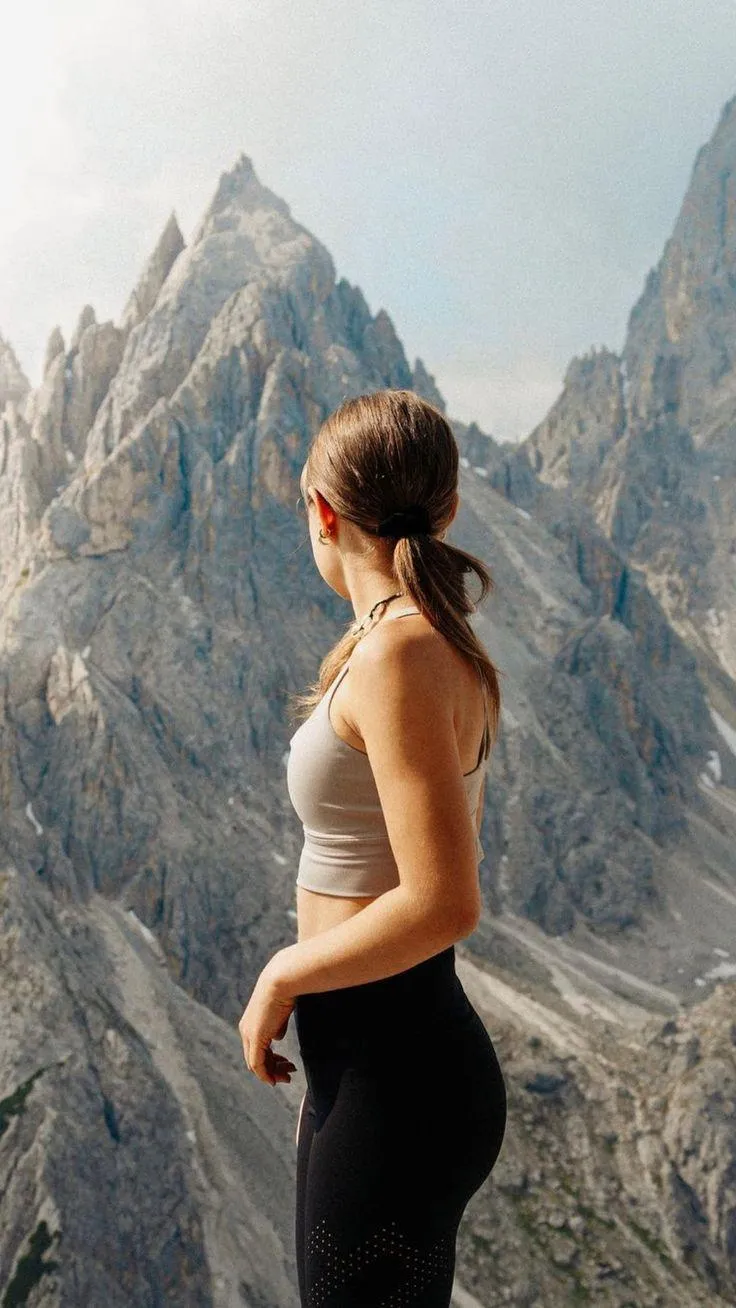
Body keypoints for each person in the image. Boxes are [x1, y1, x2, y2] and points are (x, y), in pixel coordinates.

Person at [238, 389, 507, 1307]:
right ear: (449, 509)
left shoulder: (401, 655)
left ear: (322, 513)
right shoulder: (412, 643)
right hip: (377, 1060)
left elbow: (444, 901)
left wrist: (283, 974)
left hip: (394, 1066)